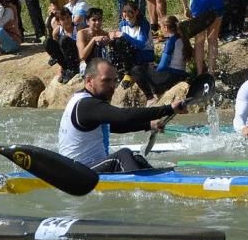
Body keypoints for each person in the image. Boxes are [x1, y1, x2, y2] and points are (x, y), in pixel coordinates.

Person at [57, 58, 187, 173]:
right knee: (122, 156)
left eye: (114, 81)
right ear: (89, 81)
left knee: (138, 159)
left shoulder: (85, 102)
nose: (112, 86)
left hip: (89, 167)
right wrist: (168, 108)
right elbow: (123, 116)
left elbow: (114, 126)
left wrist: (148, 124)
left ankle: (163, 182)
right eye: (106, 81)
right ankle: (143, 187)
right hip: (78, 173)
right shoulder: (86, 104)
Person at [130, 15, 192, 104]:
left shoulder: (171, 41)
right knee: (150, 67)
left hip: (170, 77)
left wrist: (154, 68)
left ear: (166, 28)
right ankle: (156, 92)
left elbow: (162, 66)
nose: (160, 30)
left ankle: (150, 98)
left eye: (160, 27)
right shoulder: (182, 38)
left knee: (136, 70)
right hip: (181, 74)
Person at [45, 6, 80, 83]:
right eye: (63, 19)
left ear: (71, 17)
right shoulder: (56, 32)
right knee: (48, 42)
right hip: (66, 56)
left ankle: (73, 69)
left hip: (77, 55)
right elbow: (57, 49)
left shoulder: (78, 28)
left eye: (68, 17)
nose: (66, 21)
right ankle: (65, 68)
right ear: (58, 22)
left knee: (64, 40)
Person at [76, 7, 112, 75]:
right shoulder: (82, 33)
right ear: (87, 21)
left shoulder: (104, 34)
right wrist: (93, 40)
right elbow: (82, 56)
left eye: (99, 19)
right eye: (94, 20)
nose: (97, 22)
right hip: (86, 65)